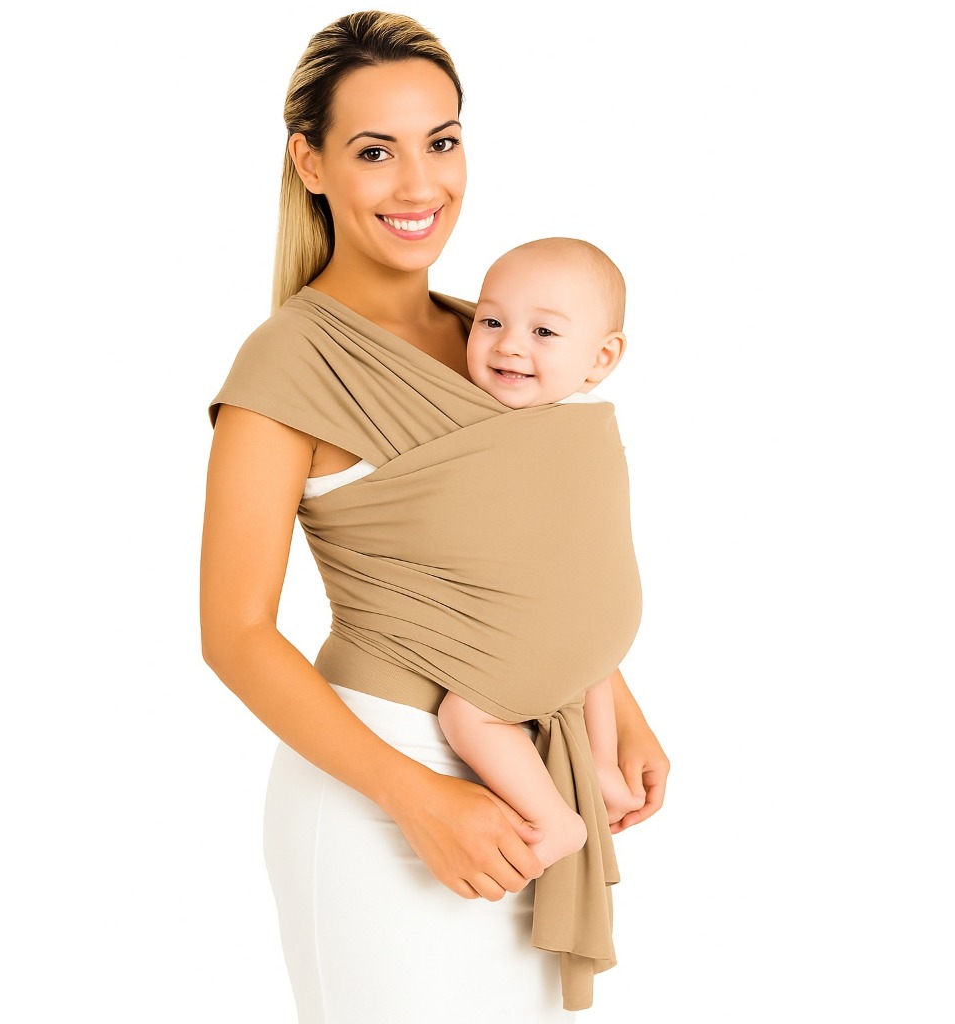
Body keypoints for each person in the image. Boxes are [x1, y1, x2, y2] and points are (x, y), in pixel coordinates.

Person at [199, 12, 669, 1022]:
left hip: (532, 780)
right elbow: (234, 633)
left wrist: (612, 700)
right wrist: (413, 795)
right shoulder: (289, 363)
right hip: (381, 798)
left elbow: (533, 558)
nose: (420, 184)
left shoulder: (491, 334)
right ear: (311, 163)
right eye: (376, 151)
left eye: (441, 141)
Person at [437, 236, 646, 869]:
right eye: (491, 322)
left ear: (601, 358)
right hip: (604, 626)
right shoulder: (591, 424)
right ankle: (602, 769)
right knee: (583, 670)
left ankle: (557, 821)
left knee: (466, 716)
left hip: (563, 623)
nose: (509, 345)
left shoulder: (511, 432)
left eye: (544, 332)